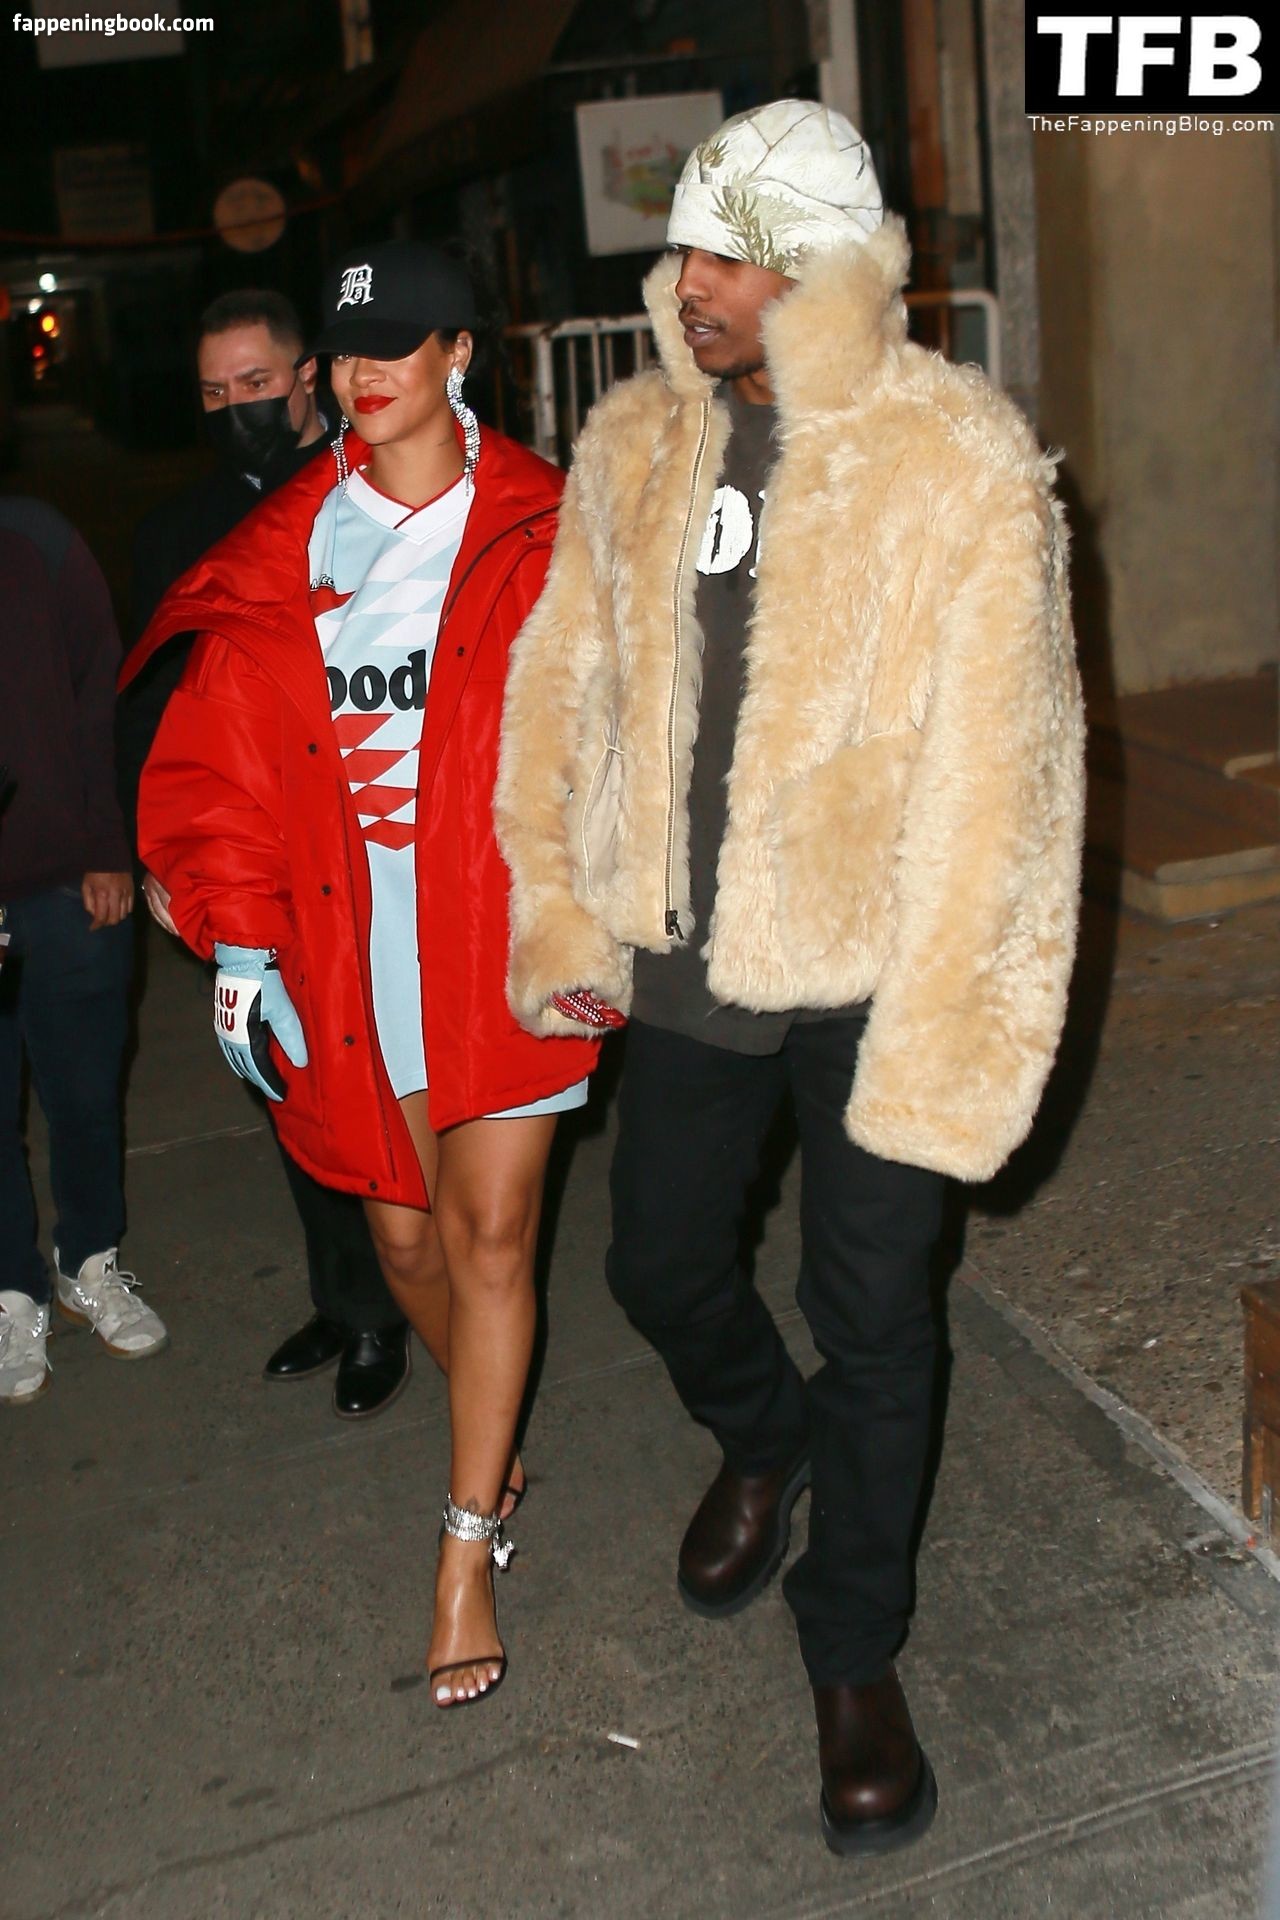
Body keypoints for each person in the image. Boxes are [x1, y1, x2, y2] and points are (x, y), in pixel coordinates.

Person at [496, 100, 1084, 1852]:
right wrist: (563, 907)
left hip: (881, 970)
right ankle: (766, 1436)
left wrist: (956, 1030)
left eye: (729, 256)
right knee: (658, 1259)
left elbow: (1013, 780)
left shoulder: (956, 458)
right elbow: (566, 685)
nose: (690, 285)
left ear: (822, 267)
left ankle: (853, 1651)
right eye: (684, 251)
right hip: (693, 953)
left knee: (878, 1315)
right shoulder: (637, 445)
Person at [127, 241, 599, 1705]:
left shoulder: (550, 526)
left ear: (462, 354)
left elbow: (630, 736)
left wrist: (610, 912)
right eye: (344, 352)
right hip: (353, 939)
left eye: (397, 343)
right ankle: (488, 1433)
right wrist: (239, 937)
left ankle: (463, 1549)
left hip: (502, 931)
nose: (361, 373)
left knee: (492, 1233)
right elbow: (220, 765)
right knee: (403, 1251)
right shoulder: (287, 546)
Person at [117, 288, 411, 1421]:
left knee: (387, 1080)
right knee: (284, 1084)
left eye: (253, 383)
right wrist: (161, 854)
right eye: (212, 392)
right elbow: (152, 709)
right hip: (248, 868)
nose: (234, 406)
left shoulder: (374, 493)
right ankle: (347, 1299)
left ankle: (402, 1298)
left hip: (368, 849)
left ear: (305, 377)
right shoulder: (177, 531)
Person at [0, 498, 167, 1406]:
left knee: (85, 1094)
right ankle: (11, 1294)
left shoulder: (42, 543)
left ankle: (89, 1262)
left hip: (69, 880)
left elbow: (102, 696)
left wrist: (108, 845)